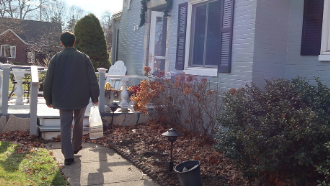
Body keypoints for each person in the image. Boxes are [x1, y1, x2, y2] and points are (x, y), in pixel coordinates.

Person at [43, 31, 99, 165]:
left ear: (61, 43)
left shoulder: (56, 58)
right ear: (74, 42)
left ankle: (68, 156)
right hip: (81, 97)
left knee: (65, 125)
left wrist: (48, 98)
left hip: (62, 98)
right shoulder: (83, 57)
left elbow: (48, 80)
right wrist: (95, 97)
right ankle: (76, 147)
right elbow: (92, 79)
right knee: (79, 123)